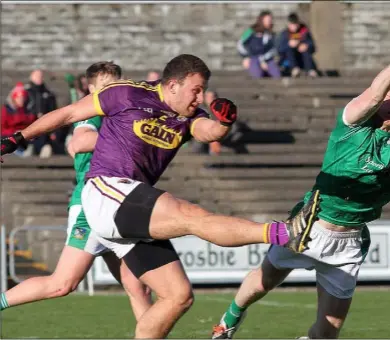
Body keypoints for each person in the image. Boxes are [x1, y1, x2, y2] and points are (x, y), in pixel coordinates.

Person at [1, 54, 320, 338]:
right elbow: (69, 114)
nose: (200, 97)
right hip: (104, 192)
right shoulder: (126, 93)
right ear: (173, 85)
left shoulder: (188, 115)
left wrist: (224, 122)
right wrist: (18, 137)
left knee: (177, 295)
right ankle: (283, 232)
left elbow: (208, 133)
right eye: (195, 89)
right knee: (191, 216)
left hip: (131, 207)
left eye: (203, 90)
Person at [211, 65, 390, 339]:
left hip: (349, 244)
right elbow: (375, 93)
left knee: (327, 334)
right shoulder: (352, 125)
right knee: (265, 280)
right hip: (310, 225)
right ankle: (229, 319)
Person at [0, 61, 152, 322]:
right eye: (105, 86)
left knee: (139, 286)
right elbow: (79, 142)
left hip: (119, 204)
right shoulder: (92, 114)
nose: (111, 90)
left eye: (115, 84)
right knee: (62, 284)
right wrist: (132, 137)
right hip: (92, 206)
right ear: (91, 89)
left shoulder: (121, 114)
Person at [237, 10, 280, 79]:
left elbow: (274, 49)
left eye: (270, 20)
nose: (269, 22)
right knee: (257, 75)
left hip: (267, 59)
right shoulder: (250, 31)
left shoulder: (272, 34)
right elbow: (240, 43)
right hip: (252, 58)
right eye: (267, 20)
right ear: (261, 20)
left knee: (277, 75)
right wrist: (245, 57)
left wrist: (263, 60)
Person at [278, 13, 318, 78]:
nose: (294, 27)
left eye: (296, 24)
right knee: (289, 49)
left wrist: (306, 45)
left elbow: (313, 47)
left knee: (305, 49)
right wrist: (289, 44)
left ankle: (310, 70)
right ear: (288, 24)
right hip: (289, 62)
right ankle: (294, 69)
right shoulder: (285, 34)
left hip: (303, 60)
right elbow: (280, 50)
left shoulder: (304, 31)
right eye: (292, 25)